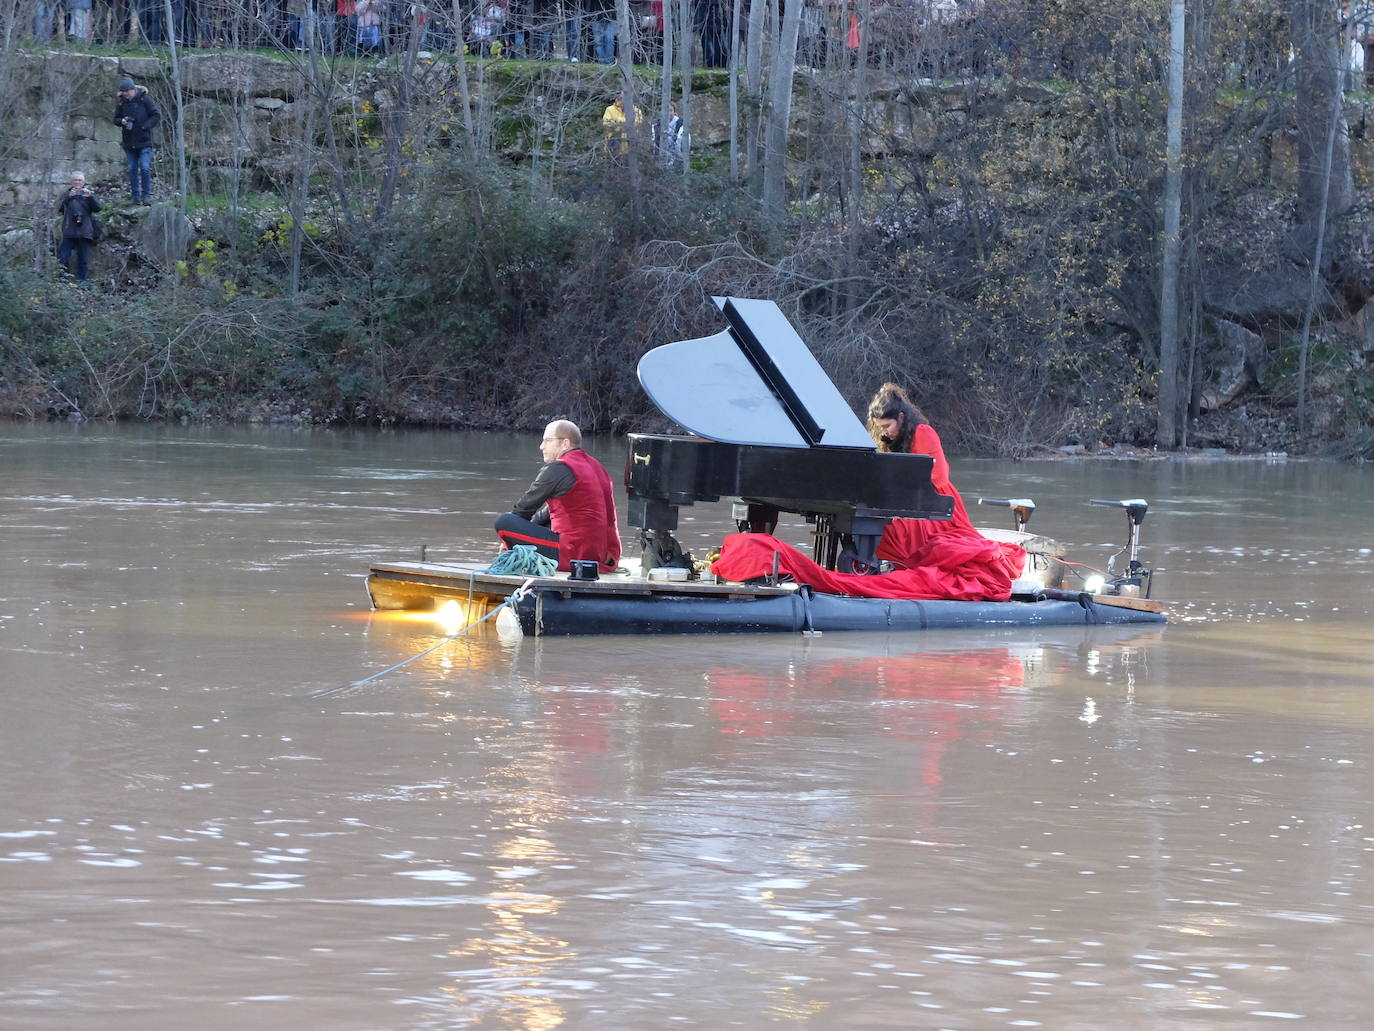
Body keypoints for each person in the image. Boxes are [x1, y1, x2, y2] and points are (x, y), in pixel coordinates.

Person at [494, 420, 621, 573]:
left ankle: (517, 559)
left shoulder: (559, 468)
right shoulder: (597, 467)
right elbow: (545, 514)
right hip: (604, 556)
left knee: (504, 522)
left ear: (565, 444)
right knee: (543, 521)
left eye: (547, 441)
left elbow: (524, 509)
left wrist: (507, 541)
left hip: (574, 554)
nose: (541, 446)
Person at [114, 77, 160, 205]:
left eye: (127, 91)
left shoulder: (144, 99)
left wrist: (145, 126)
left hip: (144, 141)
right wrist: (122, 121)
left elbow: (156, 115)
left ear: (133, 89)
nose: (126, 94)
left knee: (145, 167)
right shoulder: (121, 103)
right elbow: (115, 119)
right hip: (129, 142)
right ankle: (135, 197)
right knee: (131, 169)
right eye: (124, 92)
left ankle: (146, 196)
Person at [55, 172, 101, 283]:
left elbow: (98, 208)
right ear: (71, 182)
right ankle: (62, 281)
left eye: (80, 180)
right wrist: (68, 197)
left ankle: (82, 282)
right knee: (63, 257)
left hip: (84, 232)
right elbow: (58, 208)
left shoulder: (88, 194)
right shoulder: (66, 194)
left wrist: (91, 197)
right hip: (69, 231)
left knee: (83, 260)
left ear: (84, 182)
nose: (77, 182)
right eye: (75, 180)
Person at [601, 91, 642, 157]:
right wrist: (623, 122)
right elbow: (606, 124)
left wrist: (617, 122)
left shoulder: (636, 110)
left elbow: (637, 123)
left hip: (630, 150)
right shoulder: (610, 109)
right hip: (612, 148)